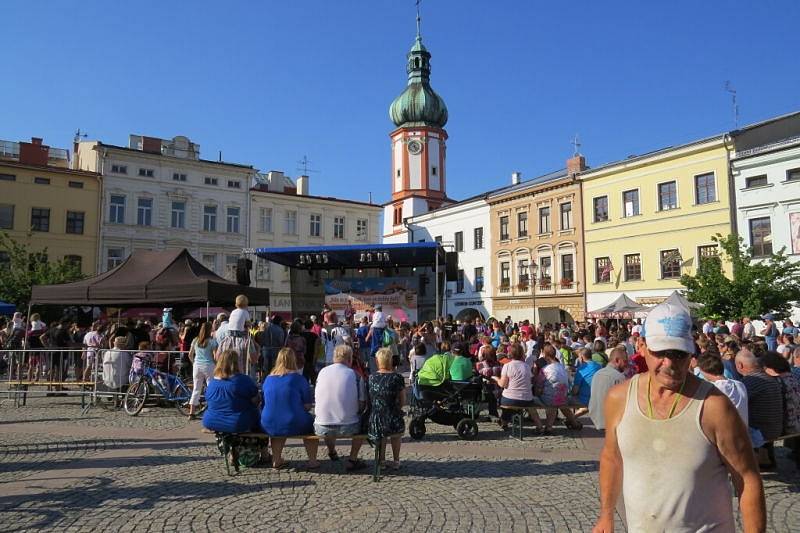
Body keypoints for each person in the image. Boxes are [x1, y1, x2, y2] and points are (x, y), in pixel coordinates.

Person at [594, 302, 765, 533]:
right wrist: (606, 516)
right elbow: (612, 458)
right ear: (641, 346)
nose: (670, 363)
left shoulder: (714, 406)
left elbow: (747, 478)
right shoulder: (619, 398)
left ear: (691, 353)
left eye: (679, 354)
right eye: (661, 353)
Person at [260, 347, 319, 469]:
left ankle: (276, 459)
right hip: (293, 421)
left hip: (268, 421)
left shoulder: (268, 379)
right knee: (312, 426)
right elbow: (308, 406)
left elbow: (265, 401)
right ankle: (312, 460)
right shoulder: (299, 379)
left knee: (277, 428)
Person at [314, 345, 367, 471]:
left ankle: (332, 451)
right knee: (365, 423)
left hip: (321, 426)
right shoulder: (355, 375)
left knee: (327, 415)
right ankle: (352, 459)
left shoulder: (322, 372)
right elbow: (362, 403)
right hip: (349, 426)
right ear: (349, 359)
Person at [736, 348, 784, 468]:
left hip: (762, 432)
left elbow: (736, 404)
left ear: (740, 365)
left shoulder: (749, 382)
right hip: (776, 427)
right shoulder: (770, 379)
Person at [202, 349, 261, 434]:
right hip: (236, 422)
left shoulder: (212, 383)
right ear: (237, 363)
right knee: (256, 411)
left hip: (210, 421)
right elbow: (256, 400)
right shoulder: (242, 380)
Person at [367, 347, 405, 470]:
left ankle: (382, 460)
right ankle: (396, 460)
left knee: (381, 434)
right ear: (390, 361)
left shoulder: (371, 377)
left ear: (378, 361)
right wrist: (398, 408)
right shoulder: (397, 378)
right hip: (393, 416)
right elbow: (402, 400)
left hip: (376, 417)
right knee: (396, 434)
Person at [493, 343, 544, 433]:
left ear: (509, 354)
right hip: (526, 398)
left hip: (510, 398)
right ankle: (539, 426)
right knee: (531, 407)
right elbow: (531, 380)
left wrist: (496, 379)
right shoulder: (526, 366)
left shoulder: (507, 366)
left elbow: (503, 384)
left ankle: (504, 423)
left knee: (505, 402)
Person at [761, 351, 800, 465]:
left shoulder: (775, 382)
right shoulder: (793, 377)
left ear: (770, 367)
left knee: (760, 423)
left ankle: (765, 460)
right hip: (796, 421)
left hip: (787, 426)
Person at [538, 345, 582, 433]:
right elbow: (569, 382)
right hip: (563, 397)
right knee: (560, 402)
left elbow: (539, 386)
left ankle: (548, 426)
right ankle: (574, 423)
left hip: (550, 399)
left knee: (548, 398)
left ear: (545, 356)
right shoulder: (563, 368)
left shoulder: (545, 369)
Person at [695, 353, 748, 426]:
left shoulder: (711, 390)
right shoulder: (740, 385)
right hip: (743, 432)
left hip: (726, 433)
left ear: (703, 370)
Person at [216, 295, 258, 377]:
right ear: (246, 304)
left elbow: (217, 358)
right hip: (240, 335)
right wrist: (249, 325)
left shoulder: (233, 312)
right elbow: (249, 324)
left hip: (230, 334)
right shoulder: (245, 312)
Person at [587, 346, 627, 430]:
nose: (626, 365)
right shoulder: (619, 377)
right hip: (611, 421)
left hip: (596, 417)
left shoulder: (597, 373)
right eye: (625, 361)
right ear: (617, 360)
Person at [187, 322, 217, 420]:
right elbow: (216, 356)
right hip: (209, 365)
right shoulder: (212, 342)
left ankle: (191, 412)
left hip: (197, 365)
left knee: (196, 389)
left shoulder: (195, 340)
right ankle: (212, 410)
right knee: (211, 388)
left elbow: (190, 355)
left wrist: (194, 363)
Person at [572, 347, 603, 415]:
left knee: (563, 400)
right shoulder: (599, 366)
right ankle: (573, 419)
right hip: (598, 397)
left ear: (582, 357)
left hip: (585, 399)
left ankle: (571, 419)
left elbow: (575, 390)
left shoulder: (581, 369)